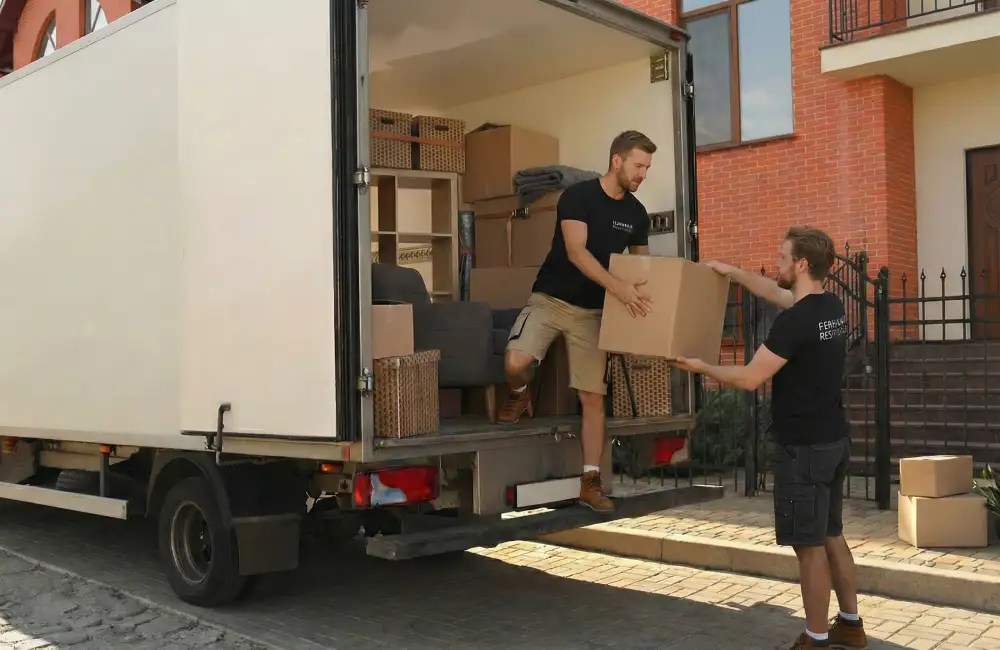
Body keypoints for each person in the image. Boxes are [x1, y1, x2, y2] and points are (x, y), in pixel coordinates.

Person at [670, 226, 868, 650]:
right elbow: (775, 291)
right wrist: (732, 271)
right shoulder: (829, 306)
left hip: (804, 449)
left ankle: (815, 639)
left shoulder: (793, 323)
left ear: (800, 264)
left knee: (809, 547)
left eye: (782, 258)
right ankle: (850, 626)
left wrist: (701, 367)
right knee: (831, 533)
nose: (776, 264)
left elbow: (748, 377)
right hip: (833, 440)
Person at [498, 130, 657, 513]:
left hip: (594, 313)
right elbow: (576, 252)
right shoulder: (578, 197)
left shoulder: (636, 214)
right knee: (516, 363)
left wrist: (645, 309)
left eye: (647, 168)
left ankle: (590, 484)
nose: (643, 174)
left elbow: (642, 267)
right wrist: (619, 287)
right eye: (639, 165)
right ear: (617, 160)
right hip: (551, 299)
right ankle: (520, 395)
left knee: (592, 398)